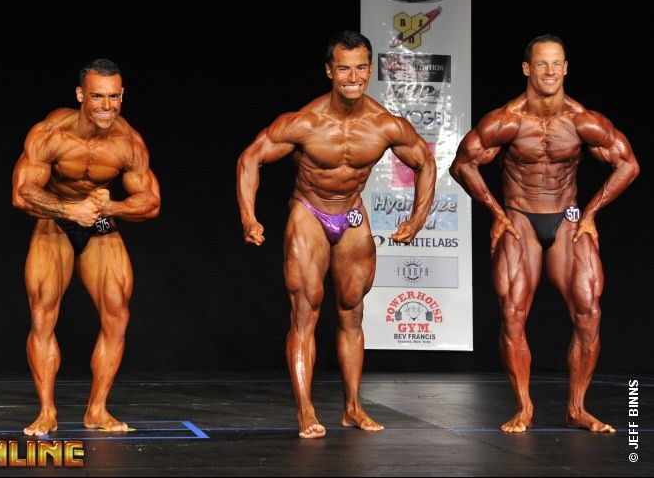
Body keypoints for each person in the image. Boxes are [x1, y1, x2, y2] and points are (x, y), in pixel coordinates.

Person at [236, 31, 436, 438]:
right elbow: (250, 158)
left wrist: (417, 219)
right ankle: (306, 411)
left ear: (370, 70)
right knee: (305, 310)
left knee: (352, 311)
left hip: (352, 214)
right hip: (309, 211)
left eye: (361, 68)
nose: (353, 77)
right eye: (344, 68)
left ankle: (352, 407)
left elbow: (425, 162)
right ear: (329, 71)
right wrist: (248, 217)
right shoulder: (305, 122)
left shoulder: (384, 124)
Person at [449, 35, 639, 433]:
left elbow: (628, 165)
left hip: (567, 215)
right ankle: (523, 407)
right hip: (520, 216)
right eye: (541, 64)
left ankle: (577, 408)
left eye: (556, 64)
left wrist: (590, 213)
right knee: (513, 312)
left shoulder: (583, 120)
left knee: (589, 310)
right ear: (527, 68)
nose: (549, 71)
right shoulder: (507, 120)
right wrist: (497, 213)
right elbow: (463, 164)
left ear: (566, 68)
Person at [12, 58, 160, 435]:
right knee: (43, 311)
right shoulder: (51, 134)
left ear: (122, 96)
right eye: (97, 97)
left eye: (114, 97)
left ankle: (97, 410)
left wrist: (112, 207)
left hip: (100, 222)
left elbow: (151, 202)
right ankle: (46, 411)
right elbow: (22, 193)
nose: (106, 106)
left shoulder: (129, 143)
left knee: (118, 312)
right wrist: (68, 209)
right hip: (55, 221)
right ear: (81, 94)